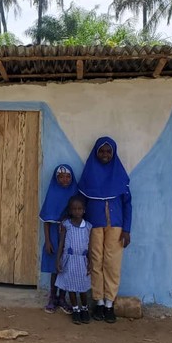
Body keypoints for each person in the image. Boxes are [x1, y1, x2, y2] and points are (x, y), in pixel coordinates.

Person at [78, 137, 132, 323]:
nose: (105, 154)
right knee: (95, 261)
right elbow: (81, 203)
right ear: (96, 152)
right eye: (101, 151)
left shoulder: (119, 175)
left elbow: (127, 204)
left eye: (109, 151)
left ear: (113, 153)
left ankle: (109, 303)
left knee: (112, 263)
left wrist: (127, 229)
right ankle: (98, 301)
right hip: (94, 225)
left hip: (116, 226)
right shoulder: (89, 174)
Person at [39, 164, 77, 314]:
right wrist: (48, 241)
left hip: (70, 236)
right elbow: (46, 221)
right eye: (60, 177)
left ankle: (62, 298)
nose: (64, 180)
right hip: (54, 237)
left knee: (66, 267)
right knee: (55, 267)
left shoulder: (74, 195)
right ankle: (52, 298)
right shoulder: (52, 194)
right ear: (56, 179)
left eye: (68, 176)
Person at [55, 195, 92, 324]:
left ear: (84, 210)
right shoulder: (66, 225)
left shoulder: (88, 227)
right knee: (71, 287)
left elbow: (90, 246)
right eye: (74, 209)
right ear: (70, 210)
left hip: (82, 261)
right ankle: (75, 309)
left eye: (79, 209)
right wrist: (58, 260)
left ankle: (84, 309)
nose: (77, 211)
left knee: (82, 287)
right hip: (69, 261)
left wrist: (90, 262)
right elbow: (61, 243)